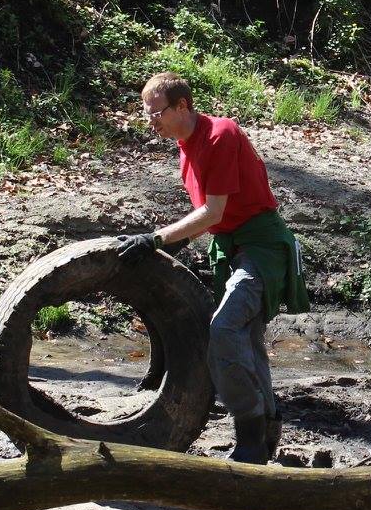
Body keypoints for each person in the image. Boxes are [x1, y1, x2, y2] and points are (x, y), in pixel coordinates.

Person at [119, 72, 306, 464]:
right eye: (146, 112)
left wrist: (157, 238)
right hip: (231, 246)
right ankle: (265, 432)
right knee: (248, 338)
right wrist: (172, 242)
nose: (149, 120)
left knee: (224, 328)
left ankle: (250, 434)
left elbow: (213, 211)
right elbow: (211, 216)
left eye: (156, 113)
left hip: (262, 247)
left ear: (182, 105)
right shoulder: (186, 145)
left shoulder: (220, 135)